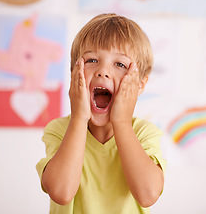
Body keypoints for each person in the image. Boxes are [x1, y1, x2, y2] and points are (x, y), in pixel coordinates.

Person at [36, 13, 167, 214]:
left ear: (139, 84)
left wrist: (122, 122)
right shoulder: (59, 130)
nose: (102, 71)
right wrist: (79, 118)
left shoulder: (144, 133)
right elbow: (61, 192)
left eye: (120, 64)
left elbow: (148, 194)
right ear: (74, 74)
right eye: (92, 60)